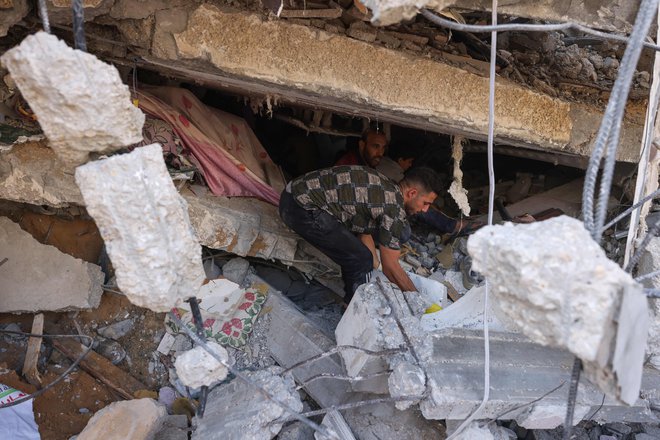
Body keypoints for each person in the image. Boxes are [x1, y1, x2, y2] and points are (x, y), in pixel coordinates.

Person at [279, 165, 442, 302]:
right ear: (412, 193)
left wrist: (375, 264)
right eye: (425, 203)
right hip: (300, 209)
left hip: (292, 192)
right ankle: (353, 308)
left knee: (397, 235)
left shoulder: (386, 185)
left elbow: (365, 228)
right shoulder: (393, 209)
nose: (425, 210)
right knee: (360, 260)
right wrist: (418, 300)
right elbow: (391, 267)